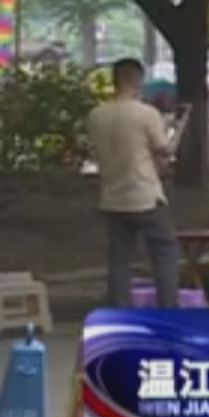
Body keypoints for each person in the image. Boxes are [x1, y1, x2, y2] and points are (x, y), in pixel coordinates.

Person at [87, 58, 183, 308]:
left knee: (119, 259)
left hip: (112, 197)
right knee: (164, 253)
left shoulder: (96, 116)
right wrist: (179, 128)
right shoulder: (146, 113)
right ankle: (168, 310)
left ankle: (120, 311)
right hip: (144, 195)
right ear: (137, 81)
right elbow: (165, 151)